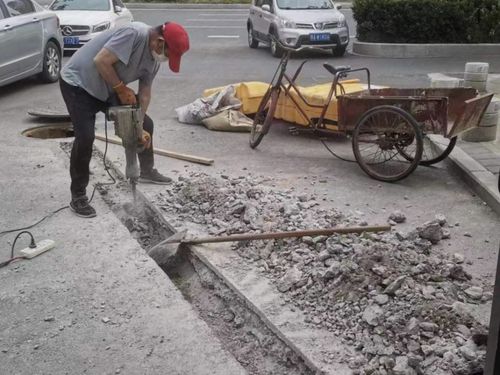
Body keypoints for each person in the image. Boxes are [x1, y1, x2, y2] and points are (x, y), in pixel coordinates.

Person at [59, 21, 189, 218]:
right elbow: (101, 60)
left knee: (146, 124)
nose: (166, 59)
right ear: (159, 42)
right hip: (79, 83)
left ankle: (146, 171)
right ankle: (78, 195)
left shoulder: (153, 60)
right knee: (85, 137)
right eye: (168, 54)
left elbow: (144, 94)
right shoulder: (133, 34)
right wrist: (120, 88)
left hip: (108, 86)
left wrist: (138, 129)